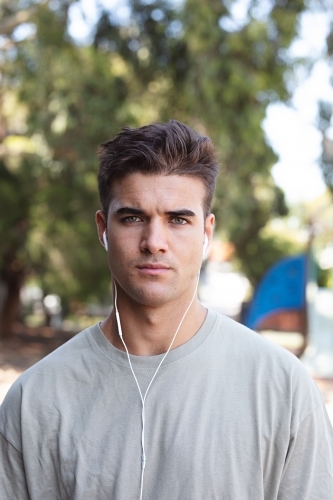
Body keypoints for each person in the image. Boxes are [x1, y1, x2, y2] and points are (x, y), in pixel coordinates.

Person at [0, 120, 332, 500]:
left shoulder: (283, 388)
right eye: (133, 217)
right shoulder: (35, 401)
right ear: (102, 228)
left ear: (206, 233)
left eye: (178, 219)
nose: (154, 242)